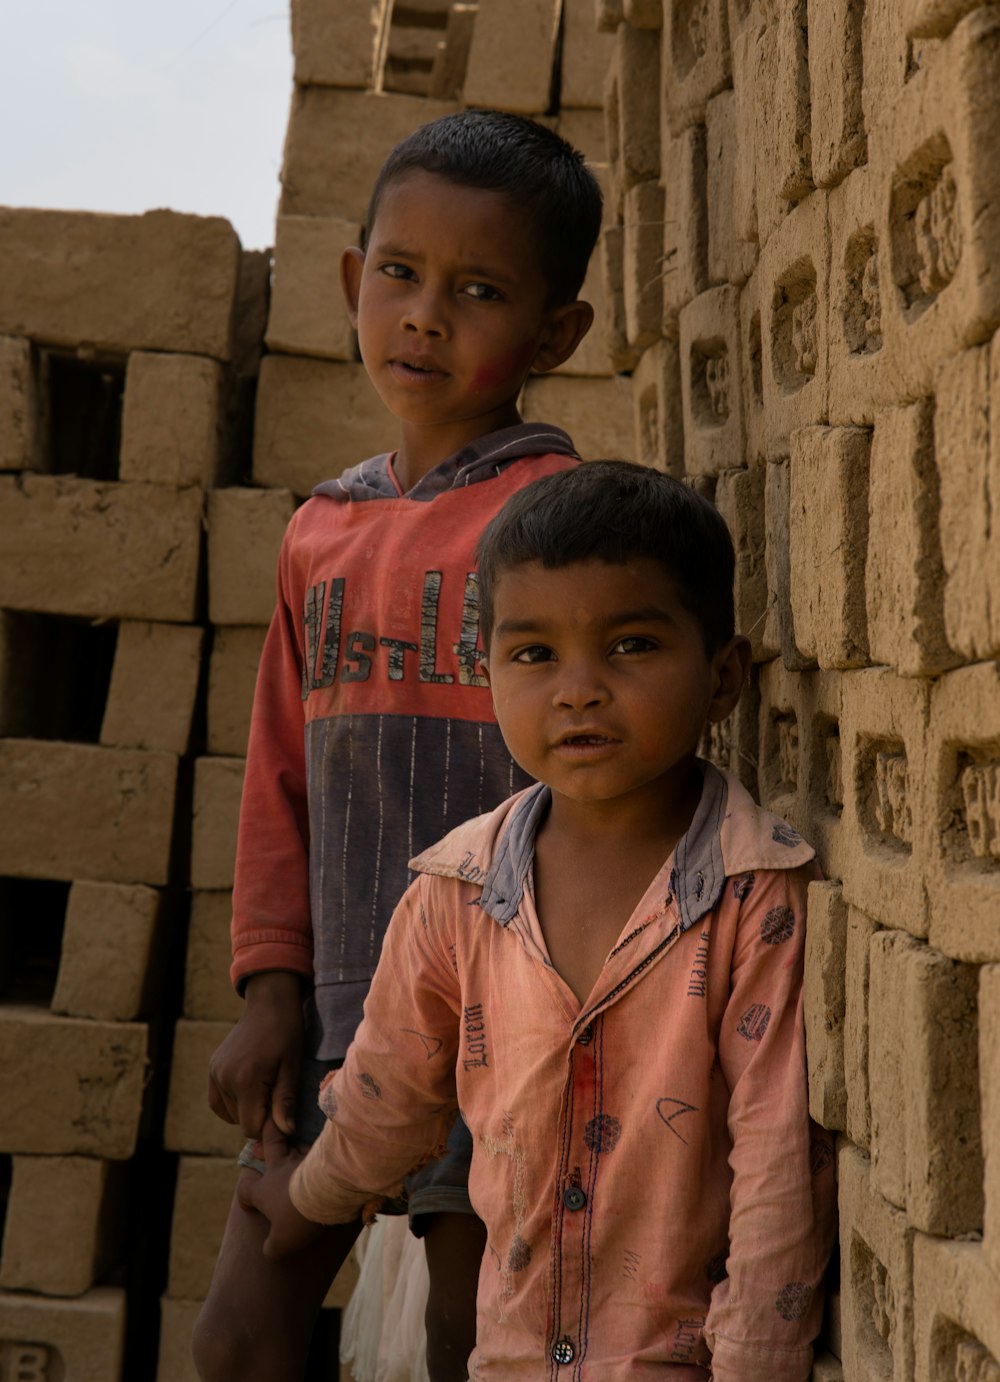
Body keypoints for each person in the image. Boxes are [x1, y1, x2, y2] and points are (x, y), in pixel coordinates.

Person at [242, 461, 839, 1379]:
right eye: (533, 654)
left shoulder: (754, 900)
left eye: (632, 646)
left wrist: (756, 1363)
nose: (578, 689)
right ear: (486, 675)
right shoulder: (455, 895)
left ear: (724, 678)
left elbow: (777, 1172)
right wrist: (309, 1197)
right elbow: (388, 1096)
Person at [191, 110, 602, 1382]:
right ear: (348, 280)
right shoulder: (320, 529)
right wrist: (269, 986)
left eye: (478, 290)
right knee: (239, 1333)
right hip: (331, 1014)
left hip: (493, 1016)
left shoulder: (552, 516)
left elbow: (587, 780)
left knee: (461, 1331)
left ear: (555, 334)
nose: (425, 316)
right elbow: (278, 776)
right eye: (400, 275)